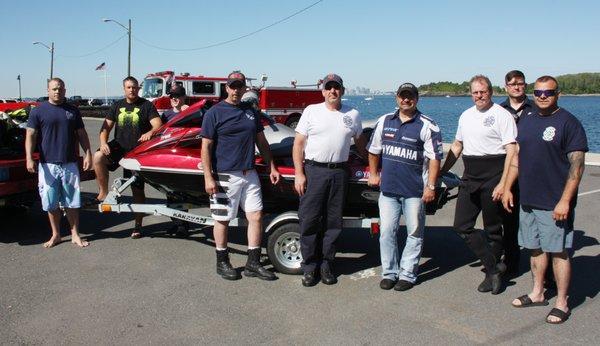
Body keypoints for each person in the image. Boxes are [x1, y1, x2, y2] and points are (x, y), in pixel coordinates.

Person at [503, 76, 587, 324]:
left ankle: (562, 302)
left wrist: (565, 201)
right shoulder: (527, 120)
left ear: (557, 94)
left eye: (547, 93)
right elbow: (518, 157)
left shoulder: (568, 123)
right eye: (538, 92)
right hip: (528, 199)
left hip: (554, 202)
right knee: (535, 248)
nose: (542, 97)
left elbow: (577, 167)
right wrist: (508, 186)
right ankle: (538, 292)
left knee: (559, 252)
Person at [441, 75, 517, 294]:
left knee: (493, 230)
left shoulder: (502, 115)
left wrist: (504, 184)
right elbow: (457, 146)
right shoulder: (466, 116)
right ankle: (495, 268)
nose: (479, 96)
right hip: (470, 175)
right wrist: (443, 171)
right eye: (475, 92)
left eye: (483, 91)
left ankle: (490, 274)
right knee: (461, 225)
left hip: (494, 174)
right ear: (471, 93)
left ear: (491, 92)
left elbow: (511, 150)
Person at [201, 71, 280, 281]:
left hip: (250, 173)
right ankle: (222, 262)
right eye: (232, 86)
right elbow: (206, 147)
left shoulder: (251, 112)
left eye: (240, 86)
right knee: (223, 219)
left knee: (255, 216)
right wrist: (208, 177)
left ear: (245, 88)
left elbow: (261, 142)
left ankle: (252, 263)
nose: (236, 90)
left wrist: (272, 166)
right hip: (225, 175)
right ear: (226, 88)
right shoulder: (214, 113)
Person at [293, 73, 367, 287]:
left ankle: (326, 265)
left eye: (337, 87)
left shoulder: (353, 114)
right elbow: (298, 145)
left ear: (342, 91)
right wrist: (299, 173)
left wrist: (375, 167)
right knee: (309, 220)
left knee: (333, 223)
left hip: (339, 173)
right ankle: (309, 267)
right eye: (329, 87)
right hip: (314, 171)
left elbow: (361, 145)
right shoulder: (311, 111)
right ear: (323, 91)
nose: (333, 91)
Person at [367, 83, 443, 291]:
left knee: (414, 234)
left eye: (410, 96)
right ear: (397, 98)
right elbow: (374, 150)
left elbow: (435, 158)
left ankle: (408, 275)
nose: (406, 100)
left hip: (414, 191)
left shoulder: (427, 125)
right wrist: (374, 174)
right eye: (402, 96)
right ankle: (390, 273)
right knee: (386, 233)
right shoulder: (385, 121)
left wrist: (431, 186)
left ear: (416, 99)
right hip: (388, 190)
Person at [25, 78, 93, 248]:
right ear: (47, 90)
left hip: (69, 163)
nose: (57, 92)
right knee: (51, 202)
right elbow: (30, 136)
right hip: (47, 165)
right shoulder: (38, 112)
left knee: (72, 201)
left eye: (60, 89)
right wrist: (28, 158)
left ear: (65, 90)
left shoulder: (73, 111)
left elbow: (82, 134)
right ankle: (55, 235)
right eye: (54, 89)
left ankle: (75, 235)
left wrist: (88, 154)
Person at [92, 76, 162, 238]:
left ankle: (138, 225)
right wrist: (103, 143)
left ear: (139, 89)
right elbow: (105, 128)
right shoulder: (117, 106)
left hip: (137, 152)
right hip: (119, 147)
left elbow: (158, 125)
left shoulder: (146, 105)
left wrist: (149, 133)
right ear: (124, 89)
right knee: (97, 157)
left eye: (135, 87)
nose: (132, 90)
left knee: (137, 191)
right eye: (129, 87)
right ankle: (102, 192)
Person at [498, 70, 535, 276]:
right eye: (512, 84)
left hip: (531, 173)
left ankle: (544, 270)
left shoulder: (537, 108)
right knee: (509, 221)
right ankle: (511, 264)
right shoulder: (498, 110)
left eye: (520, 83)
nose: (516, 87)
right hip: (507, 172)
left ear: (525, 85)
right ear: (506, 87)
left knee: (533, 220)